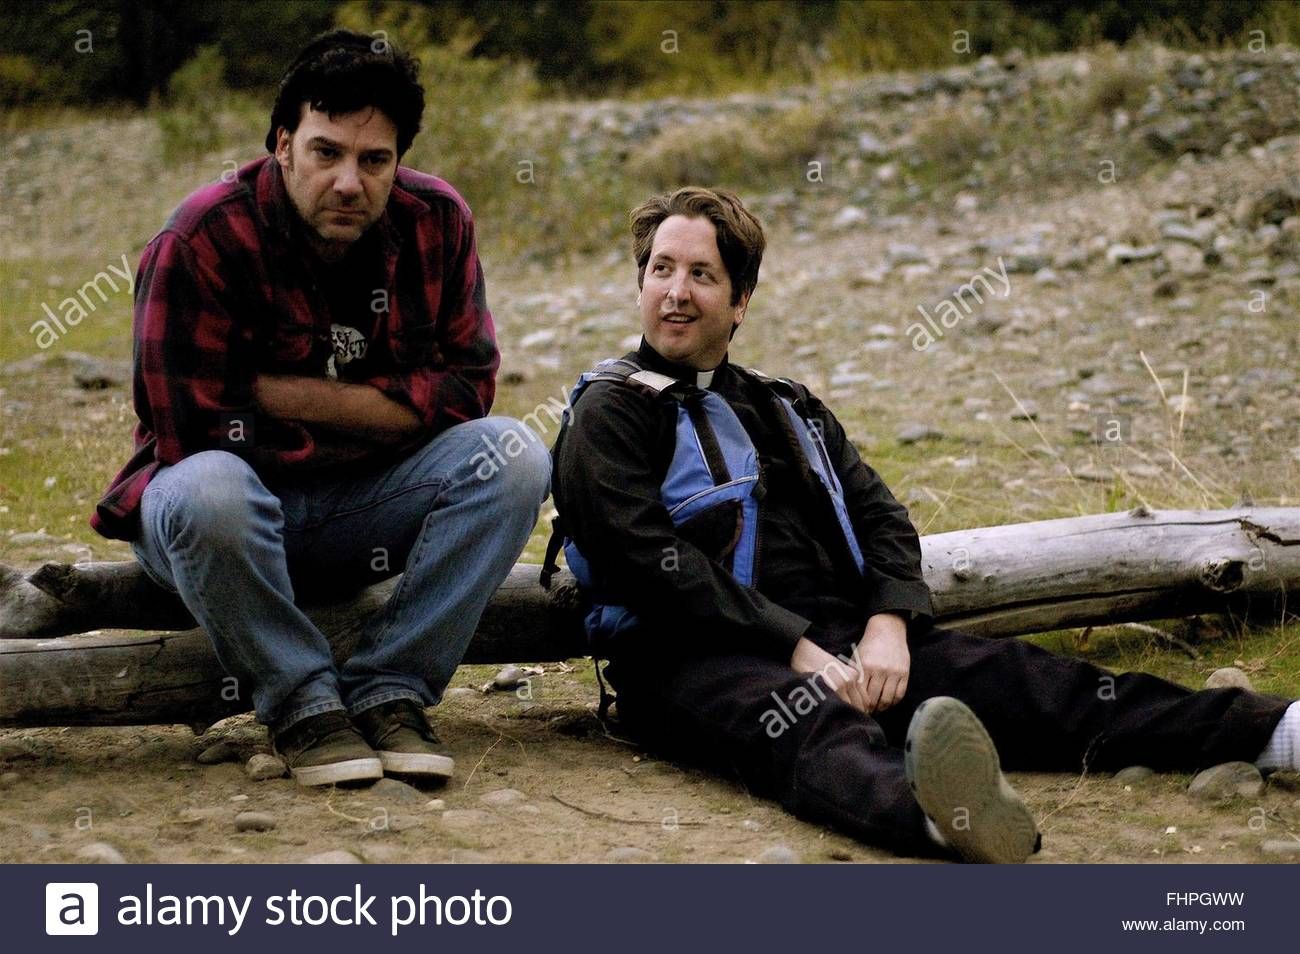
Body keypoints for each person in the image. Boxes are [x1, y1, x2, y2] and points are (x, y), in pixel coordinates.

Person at [549, 186, 1298, 862]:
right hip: (690, 657)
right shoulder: (610, 412)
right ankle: (943, 820)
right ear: (641, 284)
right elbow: (643, 559)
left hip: (843, 637)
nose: (676, 292)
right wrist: (795, 646)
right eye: (661, 270)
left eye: (701, 275)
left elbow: (881, 517)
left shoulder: (786, 404)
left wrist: (889, 623)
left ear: (740, 300)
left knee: (1038, 684)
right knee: (813, 727)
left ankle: (1275, 731)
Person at [91, 30, 550, 788]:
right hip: (218, 523)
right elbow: (192, 426)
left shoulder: (437, 220)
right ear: (282, 144)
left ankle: (390, 688)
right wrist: (390, 414)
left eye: (374, 161)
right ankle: (302, 703)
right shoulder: (201, 238)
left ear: (398, 161)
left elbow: (468, 391)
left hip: (360, 510)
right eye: (326, 152)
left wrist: (279, 392)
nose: (348, 182)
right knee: (212, 489)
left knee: (513, 456)